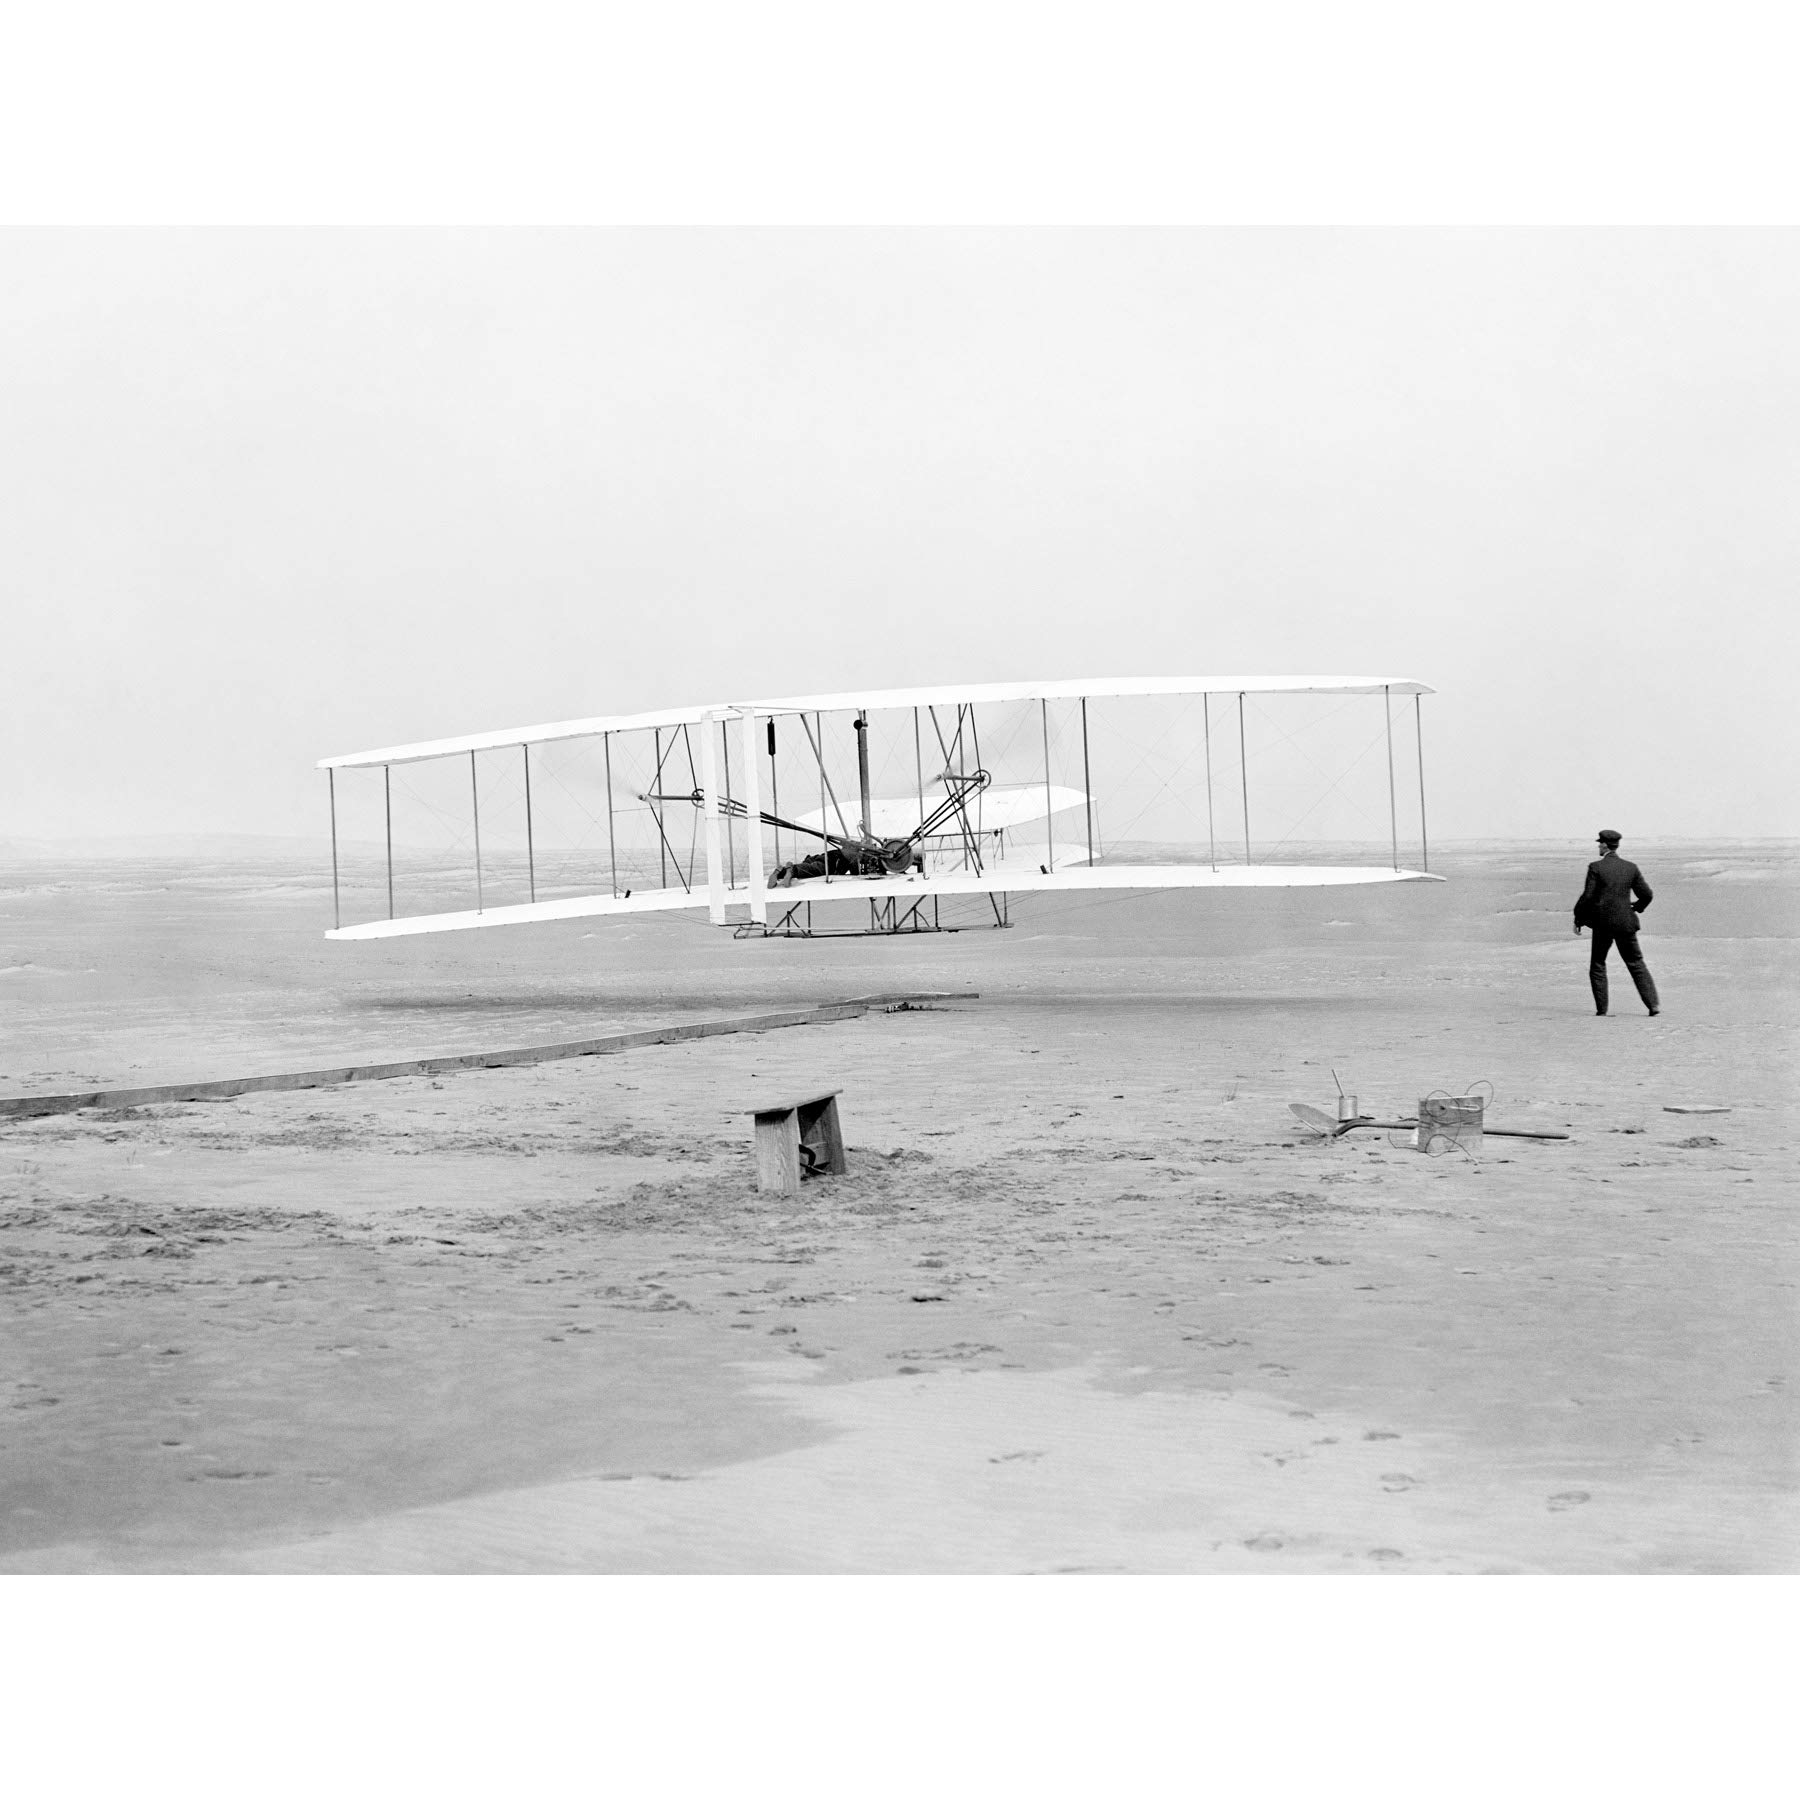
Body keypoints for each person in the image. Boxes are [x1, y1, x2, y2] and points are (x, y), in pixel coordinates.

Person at [1573, 830, 1660, 1016]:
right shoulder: (1631, 867)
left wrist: (1578, 917)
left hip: (1603, 923)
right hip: (1626, 922)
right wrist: (1637, 907)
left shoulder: (1596, 867)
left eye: (1599, 843)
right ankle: (1653, 1006)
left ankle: (1602, 1010)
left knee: (1598, 964)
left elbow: (1588, 896)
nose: (1598, 846)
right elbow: (1647, 894)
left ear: (1605, 845)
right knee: (1636, 963)